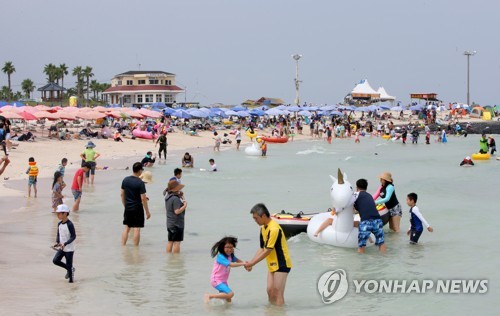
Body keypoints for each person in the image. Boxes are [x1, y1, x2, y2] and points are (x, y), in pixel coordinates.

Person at [245, 203, 292, 306]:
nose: (255, 221)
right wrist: (251, 262)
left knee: (277, 292)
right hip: (272, 263)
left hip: (282, 263)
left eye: (256, 218)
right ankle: (272, 311)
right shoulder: (263, 228)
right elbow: (262, 248)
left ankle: (280, 312)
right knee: (270, 291)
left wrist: (252, 263)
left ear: (264, 216)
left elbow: (267, 250)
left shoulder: (274, 228)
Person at [204, 236, 246, 303]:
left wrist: (247, 266)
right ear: (222, 247)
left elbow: (238, 261)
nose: (229, 249)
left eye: (231, 247)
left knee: (228, 299)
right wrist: (243, 264)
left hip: (223, 281)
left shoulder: (231, 256)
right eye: (227, 247)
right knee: (230, 294)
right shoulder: (220, 257)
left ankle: (225, 312)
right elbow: (231, 265)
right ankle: (210, 296)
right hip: (216, 280)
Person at [121, 162, 151, 246]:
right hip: (137, 208)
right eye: (142, 170)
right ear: (139, 170)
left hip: (128, 207)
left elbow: (122, 194)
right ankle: (135, 249)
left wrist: (125, 205)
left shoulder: (125, 179)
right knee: (137, 228)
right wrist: (147, 212)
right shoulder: (140, 183)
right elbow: (143, 198)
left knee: (127, 227)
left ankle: (123, 246)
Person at [353, 179, 386, 254]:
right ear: (366, 188)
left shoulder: (356, 194)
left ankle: (362, 264)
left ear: (357, 187)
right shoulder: (370, 196)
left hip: (366, 222)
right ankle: (384, 260)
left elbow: (351, 206)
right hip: (378, 220)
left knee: (361, 246)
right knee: (381, 243)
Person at [52, 204, 76, 283]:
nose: (57, 215)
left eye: (59, 213)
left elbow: (73, 236)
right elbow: (58, 234)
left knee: (71, 280)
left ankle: (71, 284)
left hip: (69, 249)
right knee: (55, 260)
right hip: (62, 248)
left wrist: (65, 243)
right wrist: (57, 242)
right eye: (57, 213)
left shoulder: (70, 224)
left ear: (65, 213)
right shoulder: (59, 224)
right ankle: (70, 269)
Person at [165, 179, 187, 253]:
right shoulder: (175, 199)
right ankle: (176, 260)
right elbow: (177, 211)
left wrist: (182, 197)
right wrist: (185, 205)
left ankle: (169, 257)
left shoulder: (168, 196)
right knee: (177, 243)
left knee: (170, 241)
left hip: (170, 223)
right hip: (177, 224)